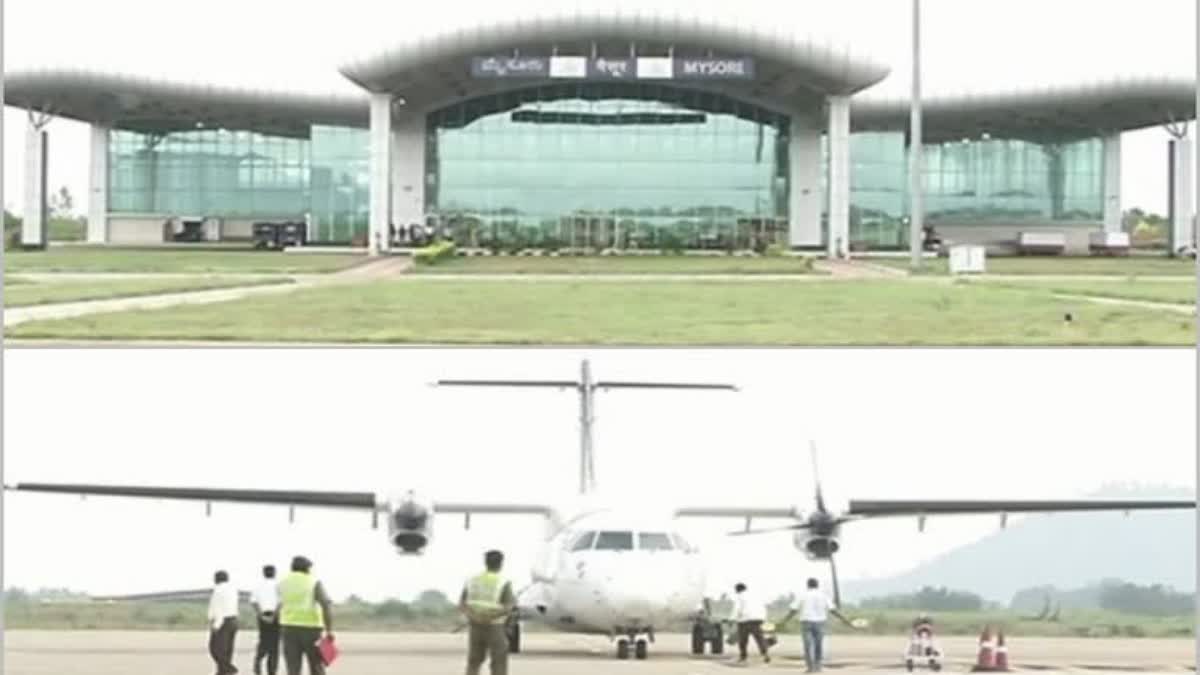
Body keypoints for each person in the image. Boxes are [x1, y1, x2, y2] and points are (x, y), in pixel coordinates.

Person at [459, 549, 516, 675]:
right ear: (501, 563)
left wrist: (473, 616)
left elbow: (462, 603)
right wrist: (490, 617)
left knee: (474, 661)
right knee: (498, 661)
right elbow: (509, 606)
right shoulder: (503, 582)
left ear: (485, 563)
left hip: (475, 625)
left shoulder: (472, 580)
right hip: (495, 626)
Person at [781, 578, 852, 673]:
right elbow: (832, 610)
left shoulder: (802, 595)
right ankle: (818, 666)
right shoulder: (824, 596)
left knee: (807, 645)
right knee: (818, 645)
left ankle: (810, 667)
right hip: (820, 623)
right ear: (817, 585)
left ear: (808, 585)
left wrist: (784, 621)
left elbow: (793, 610)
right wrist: (844, 619)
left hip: (806, 622)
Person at [278, 556, 334, 675]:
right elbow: (325, 604)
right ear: (307, 568)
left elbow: (279, 604)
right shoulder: (313, 581)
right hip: (311, 630)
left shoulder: (282, 582)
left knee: (292, 668)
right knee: (316, 666)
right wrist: (329, 631)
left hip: (288, 628)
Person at [728, 582, 770, 664]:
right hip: (758, 620)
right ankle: (765, 655)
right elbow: (763, 608)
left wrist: (731, 619)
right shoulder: (756, 596)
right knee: (760, 638)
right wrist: (763, 619)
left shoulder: (740, 596)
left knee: (743, 640)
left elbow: (737, 609)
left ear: (738, 589)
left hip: (745, 620)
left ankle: (743, 657)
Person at [207, 570, 240, 675]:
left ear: (217, 579)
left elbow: (218, 608)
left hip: (223, 622)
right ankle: (222, 671)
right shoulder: (233, 590)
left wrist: (216, 625)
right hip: (233, 620)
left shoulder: (218, 590)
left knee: (214, 648)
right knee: (227, 649)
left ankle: (228, 668)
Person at [251, 565, 281, 675]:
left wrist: (261, 615)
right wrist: (274, 616)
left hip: (263, 615)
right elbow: (280, 603)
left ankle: (257, 665)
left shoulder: (258, 586)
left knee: (263, 640)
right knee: (274, 645)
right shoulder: (279, 586)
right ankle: (272, 671)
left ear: (264, 573)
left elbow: (254, 602)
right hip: (276, 616)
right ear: (274, 573)